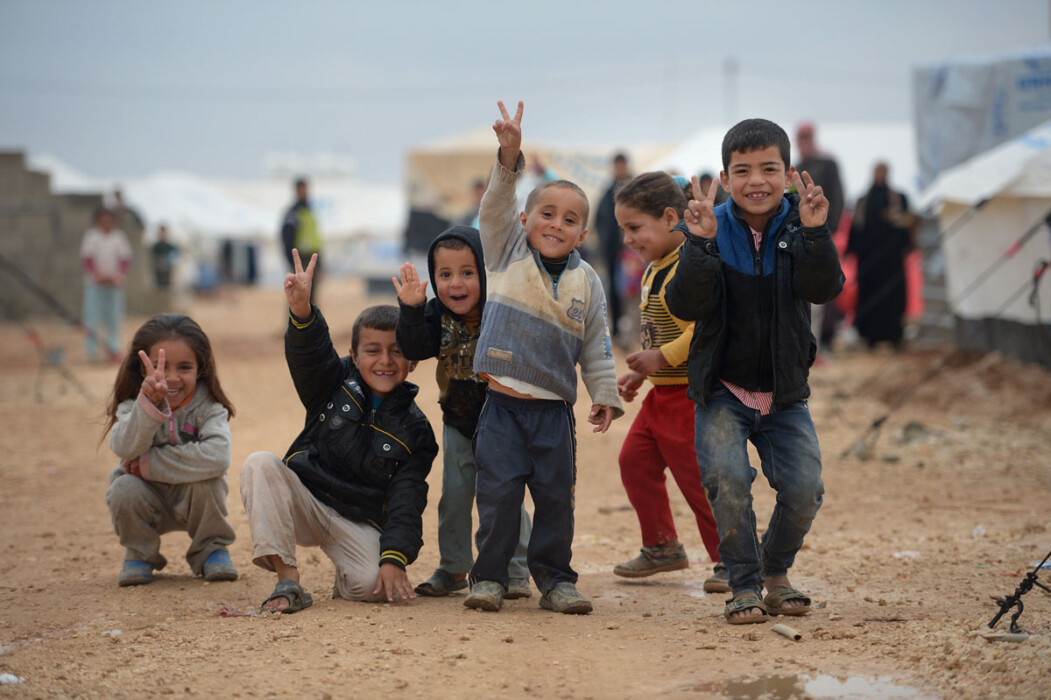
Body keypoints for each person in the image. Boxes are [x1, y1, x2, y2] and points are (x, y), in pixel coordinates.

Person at [665, 118, 844, 624]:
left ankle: (775, 571)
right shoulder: (711, 227)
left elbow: (824, 288)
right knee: (727, 480)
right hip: (724, 388)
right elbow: (685, 303)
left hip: (785, 393)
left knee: (805, 489)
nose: (756, 181)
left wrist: (815, 233)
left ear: (788, 173)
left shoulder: (800, 224)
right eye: (742, 171)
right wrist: (698, 245)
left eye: (769, 168)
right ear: (725, 177)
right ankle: (743, 583)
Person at [464, 101, 623, 615]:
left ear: (583, 233)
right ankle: (488, 578)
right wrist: (509, 157)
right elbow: (492, 206)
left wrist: (604, 394)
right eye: (547, 214)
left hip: (554, 414)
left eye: (570, 219)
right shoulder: (505, 251)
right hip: (503, 410)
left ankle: (556, 580)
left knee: (557, 501)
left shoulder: (588, 282)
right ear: (524, 219)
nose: (556, 224)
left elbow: (597, 343)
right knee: (499, 500)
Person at [240, 250, 438, 613]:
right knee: (260, 464)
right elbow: (310, 355)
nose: (384, 361)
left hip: (357, 519)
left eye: (396, 352)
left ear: (412, 360)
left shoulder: (417, 430)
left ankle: (346, 577)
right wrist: (302, 310)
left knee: (373, 588)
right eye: (373, 350)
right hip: (307, 501)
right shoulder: (332, 381)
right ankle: (289, 580)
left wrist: (394, 559)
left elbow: (407, 499)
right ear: (353, 353)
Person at [393, 226, 533, 600]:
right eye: (445, 275)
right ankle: (454, 567)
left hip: (504, 419)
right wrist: (410, 308)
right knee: (454, 496)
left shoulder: (500, 309)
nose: (456, 284)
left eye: (468, 273)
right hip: (457, 418)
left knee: (507, 497)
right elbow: (416, 346)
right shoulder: (433, 313)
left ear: (485, 274)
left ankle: (517, 571)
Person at [610, 172, 727, 593]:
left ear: (670, 217)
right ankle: (661, 546)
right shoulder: (655, 266)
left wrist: (661, 358)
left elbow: (703, 330)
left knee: (698, 480)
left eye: (634, 228)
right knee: (634, 462)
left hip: (688, 399)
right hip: (661, 394)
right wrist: (643, 373)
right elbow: (658, 331)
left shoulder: (688, 268)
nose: (627, 239)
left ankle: (731, 560)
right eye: (623, 229)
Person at [103, 313, 238, 587]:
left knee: (208, 481)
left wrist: (149, 464)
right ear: (143, 370)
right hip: (147, 497)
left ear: (201, 369)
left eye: (185, 367)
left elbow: (218, 456)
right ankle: (140, 553)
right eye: (160, 367)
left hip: (195, 500)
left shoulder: (209, 406)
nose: (171, 378)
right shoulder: (131, 404)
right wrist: (147, 409)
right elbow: (123, 446)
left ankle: (211, 549)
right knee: (123, 489)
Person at [848, 162, 915, 349]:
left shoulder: (898, 198)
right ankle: (869, 336)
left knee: (893, 298)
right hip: (869, 263)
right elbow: (856, 228)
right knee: (870, 298)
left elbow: (907, 225)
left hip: (892, 262)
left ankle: (894, 336)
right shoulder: (863, 201)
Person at [796, 122, 846, 353]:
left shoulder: (827, 163)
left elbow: (836, 195)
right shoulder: (796, 167)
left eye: (807, 136)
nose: (804, 141)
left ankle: (824, 340)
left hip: (823, 233)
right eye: (801, 137)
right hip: (799, 236)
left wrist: (830, 230)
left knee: (826, 285)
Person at [81, 207, 132, 363]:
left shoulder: (119, 237)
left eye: (109, 220)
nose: (106, 223)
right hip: (95, 284)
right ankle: (92, 351)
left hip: (114, 284)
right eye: (103, 220)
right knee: (91, 317)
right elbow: (87, 258)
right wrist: (98, 275)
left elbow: (125, 259)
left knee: (114, 317)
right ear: (98, 221)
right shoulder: (91, 236)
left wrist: (118, 276)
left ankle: (113, 349)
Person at [595, 153, 632, 342]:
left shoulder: (636, 187)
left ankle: (636, 329)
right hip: (614, 250)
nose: (619, 168)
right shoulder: (608, 191)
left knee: (636, 287)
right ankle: (617, 328)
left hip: (635, 249)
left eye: (622, 164)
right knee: (616, 290)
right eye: (616, 165)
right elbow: (599, 219)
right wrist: (605, 240)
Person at [280, 178, 323, 301]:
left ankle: (313, 320)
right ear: (296, 191)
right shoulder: (293, 213)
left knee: (311, 296)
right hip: (300, 259)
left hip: (313, 258)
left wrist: (320, 262)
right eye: (301, 190)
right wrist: (291, 262)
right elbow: (287, 238)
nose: (304, 192)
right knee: (298, 298)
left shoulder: (310, 212)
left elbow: (315, 238)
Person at [150, 223, 179, 289]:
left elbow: (175, 258)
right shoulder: (155, 247)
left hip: (168, 274)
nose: (162, 234)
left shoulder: (170, 247)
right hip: (157, 273)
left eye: (164, 232)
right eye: (161, 232)